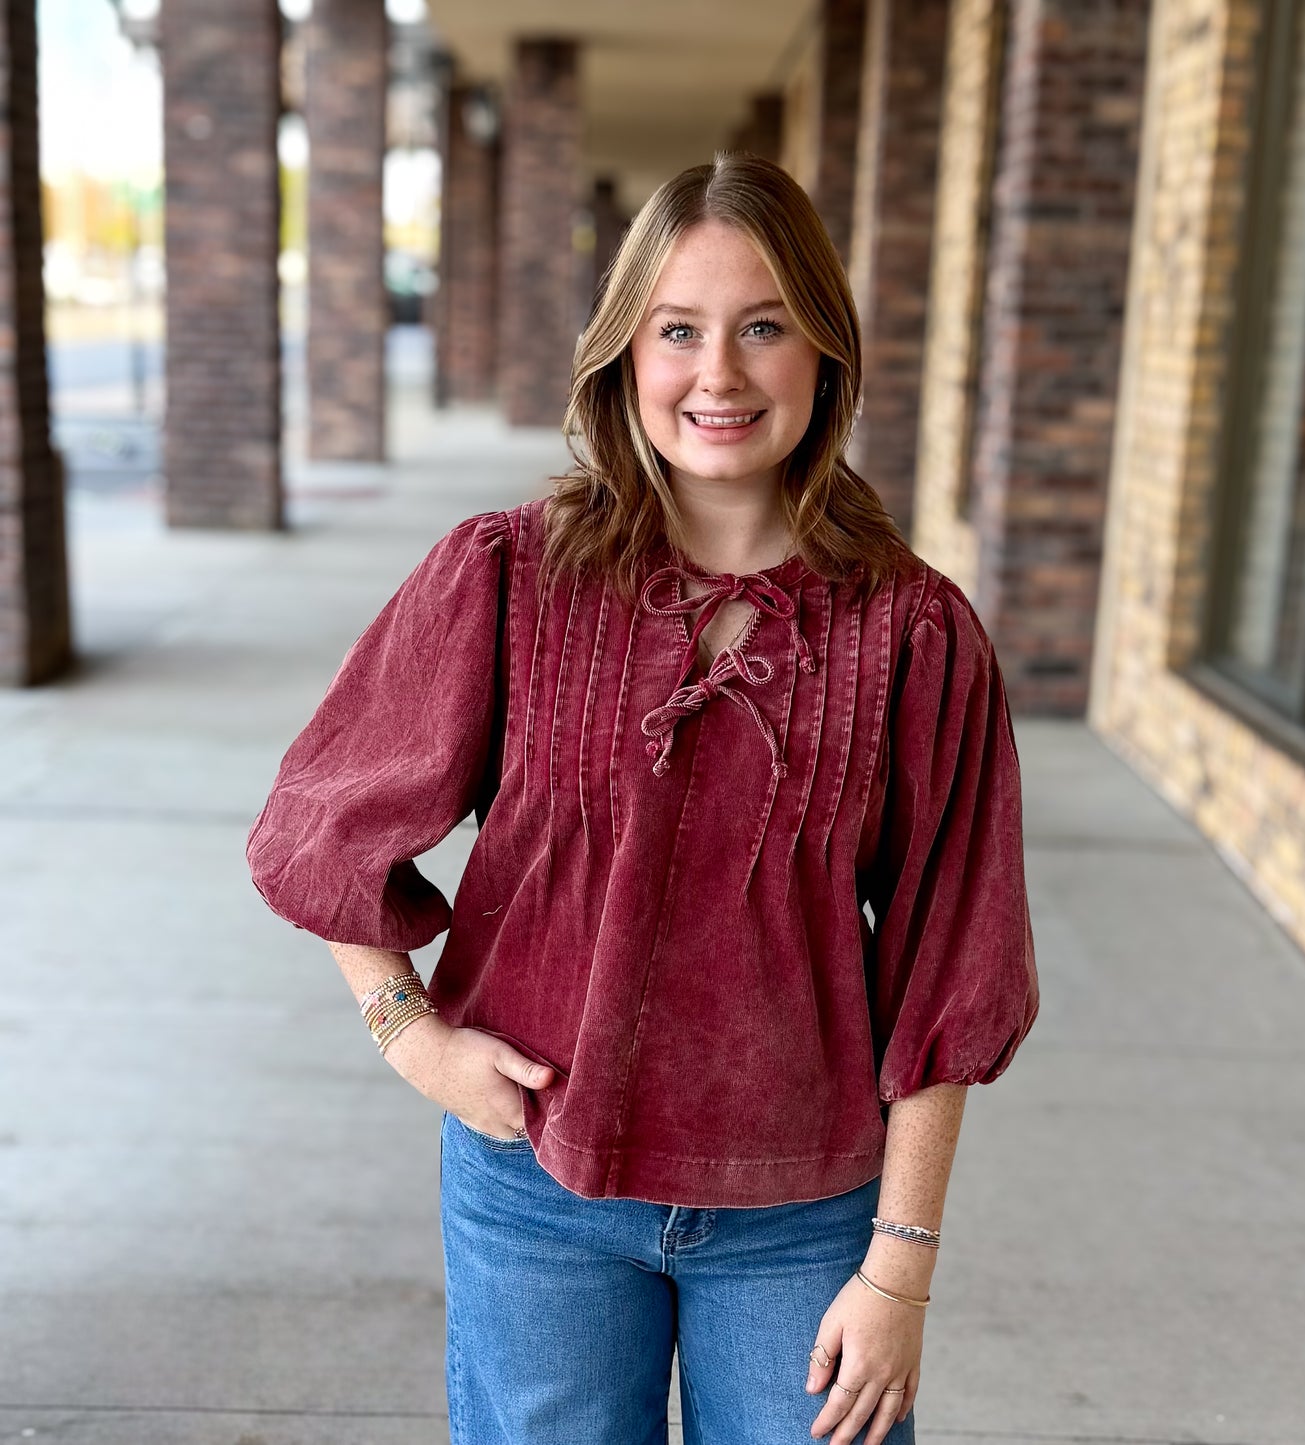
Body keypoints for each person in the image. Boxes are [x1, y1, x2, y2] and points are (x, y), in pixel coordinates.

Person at [245, 152, 1040, 1445]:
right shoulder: (507, 575)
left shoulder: (911, 631)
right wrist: (408, 1031)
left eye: (762, 326)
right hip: (535, 1192)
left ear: (823, 355)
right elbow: (320, 826)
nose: (716, 374)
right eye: (677, 330)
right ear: (623, 355)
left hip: (803, 1212)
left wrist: (899, 1266)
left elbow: (955, 961)